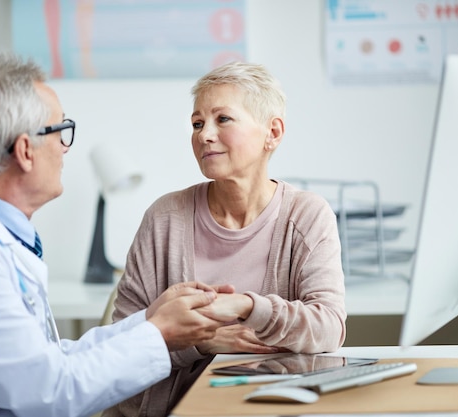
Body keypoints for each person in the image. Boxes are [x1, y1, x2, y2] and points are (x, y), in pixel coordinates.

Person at [0, 53, 237, 417]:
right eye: (60, 130)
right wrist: (160, 334)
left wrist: (149, 320)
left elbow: (48, 361)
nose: (65, 147)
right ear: (25, 150)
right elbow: (50, 392)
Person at [103, 61, 347, 417]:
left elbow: (328, 328)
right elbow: (120, 346)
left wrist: (247, 307)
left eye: (223, 119)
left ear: (273, 133)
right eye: (197, 123)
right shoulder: (165, 218)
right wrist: (200, 343)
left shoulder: (306, 215)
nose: (204, 135)